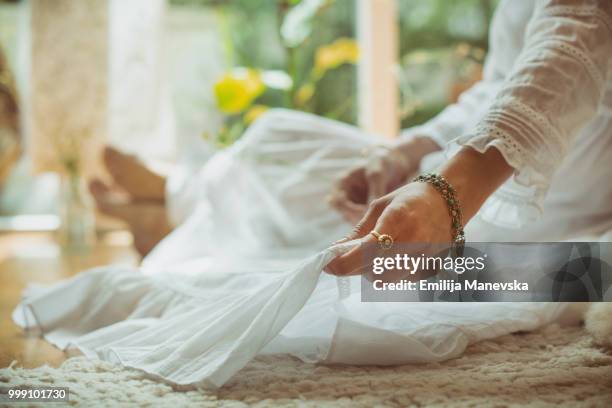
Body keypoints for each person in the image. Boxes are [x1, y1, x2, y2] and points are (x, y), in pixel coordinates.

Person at [14, 0, 612, 388]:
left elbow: (569, 55)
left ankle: (167, 207)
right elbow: (493, 92)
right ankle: (172, 201)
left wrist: (445, 194)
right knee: (276, 140)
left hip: (561, 219)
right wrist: (401, 156)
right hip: (460, 170)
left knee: (574, 274)